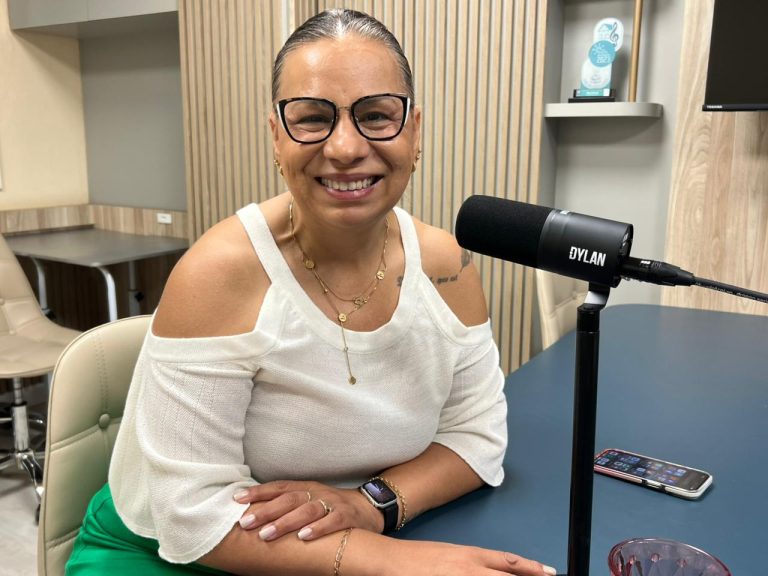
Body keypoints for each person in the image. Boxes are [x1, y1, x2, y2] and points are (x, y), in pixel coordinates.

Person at [66, 8, 557, 576]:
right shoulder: (219, 272)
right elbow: (191, 515)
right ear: (277, 137)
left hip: (339, 538)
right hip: (172, 553)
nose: (345, 147)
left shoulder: (447, 267)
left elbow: (475, 434)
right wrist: (403, 563)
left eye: (376, 115)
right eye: (312, 118)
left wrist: (371, 504)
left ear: (414, 130)